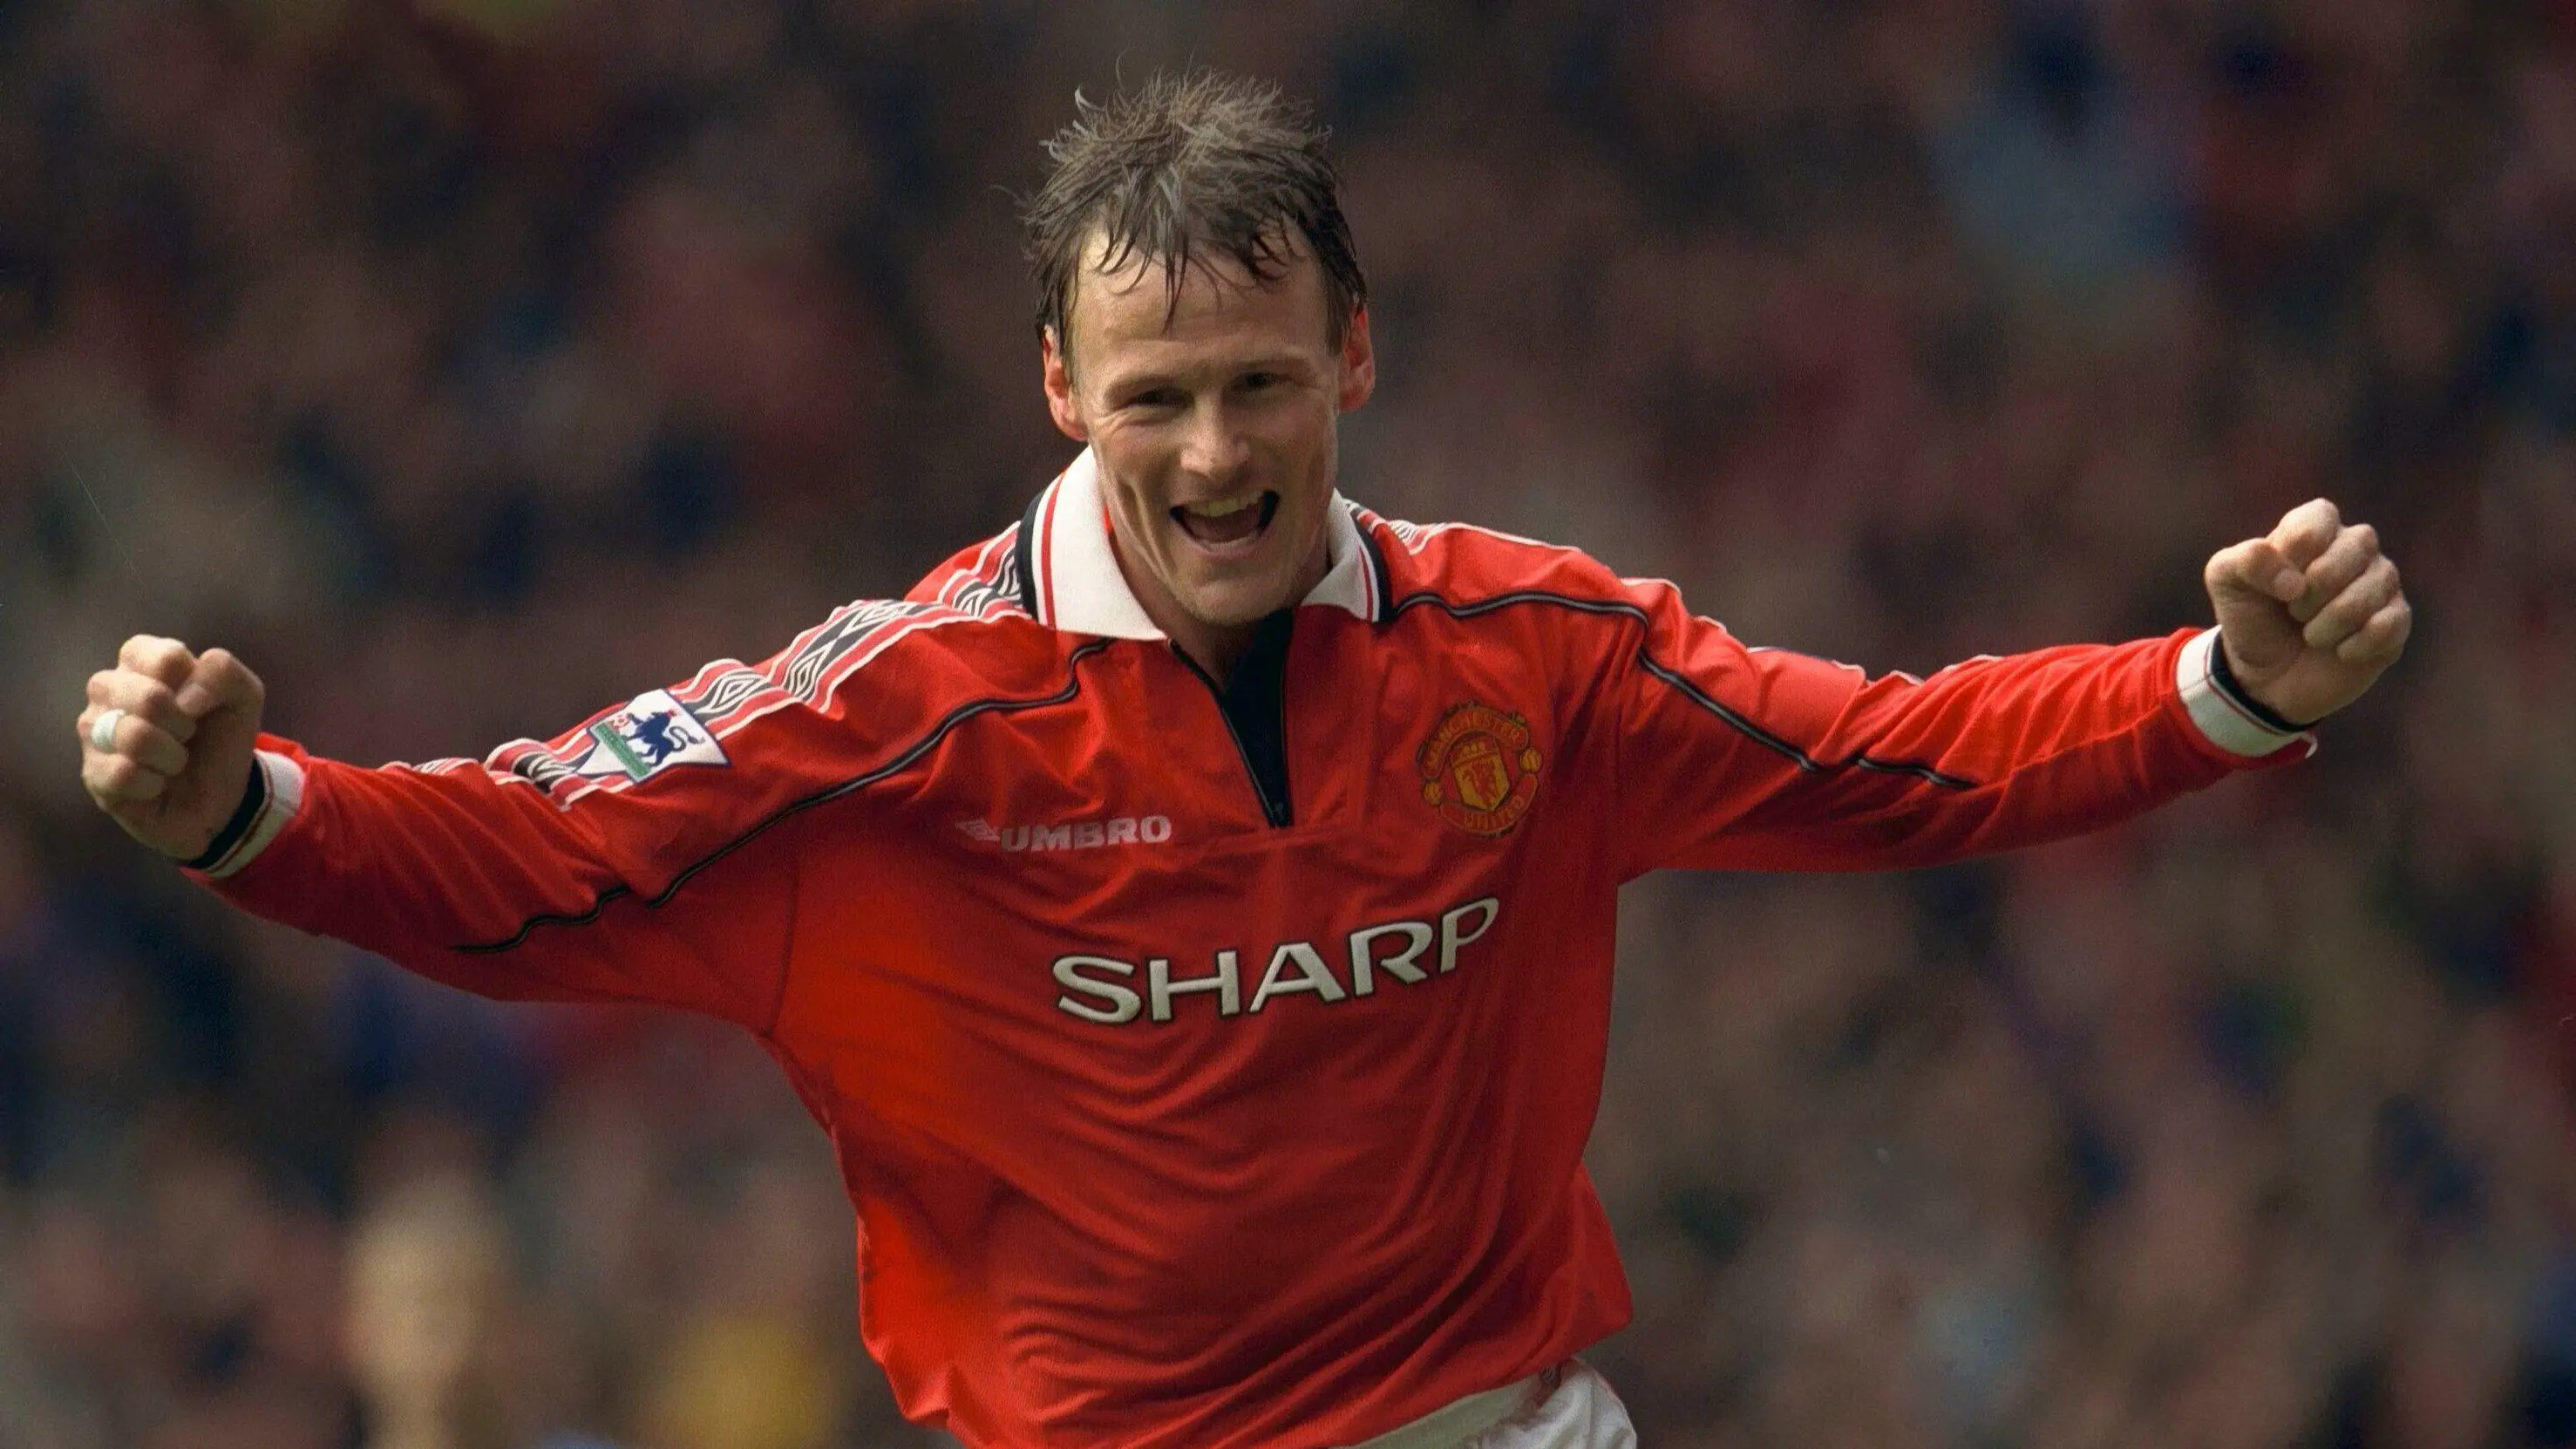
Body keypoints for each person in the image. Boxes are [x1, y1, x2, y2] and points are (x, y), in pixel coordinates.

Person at [73, 71, 2410, 1449]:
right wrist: (242, 807)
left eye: (1262, 382)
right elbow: (518, 850)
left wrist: (2224, 691)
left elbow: (1904, 762)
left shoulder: (1537, 653)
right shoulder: (883, 722)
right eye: (1159, 393)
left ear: (1355, 360)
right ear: (1062, 392)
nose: (1216, 449)